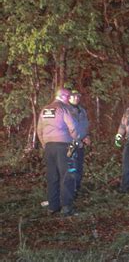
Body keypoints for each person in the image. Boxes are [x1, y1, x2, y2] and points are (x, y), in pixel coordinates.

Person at [37, 88, 79, 216]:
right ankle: (66, 207)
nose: (69, 99)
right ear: (63, 96)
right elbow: (73, 127)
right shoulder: (63, 109)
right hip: (63, 147)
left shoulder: (45, 110)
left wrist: (45, 144)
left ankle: (53, 206)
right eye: (68, 96)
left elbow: (39, 130)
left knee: (52, 177)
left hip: (49, 148)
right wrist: (76, 140)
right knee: (67, 175)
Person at [69, 89, 90, 196]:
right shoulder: (66, 110)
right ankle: (71, 190)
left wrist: (87, 136)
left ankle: (77, 187)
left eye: (78, 96)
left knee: (79, 167)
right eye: (74, 96)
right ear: (69, 97)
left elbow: (85, 125)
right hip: (70, 145)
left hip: (81, 144)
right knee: (72, 167)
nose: (76, 98)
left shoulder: (82, 110)